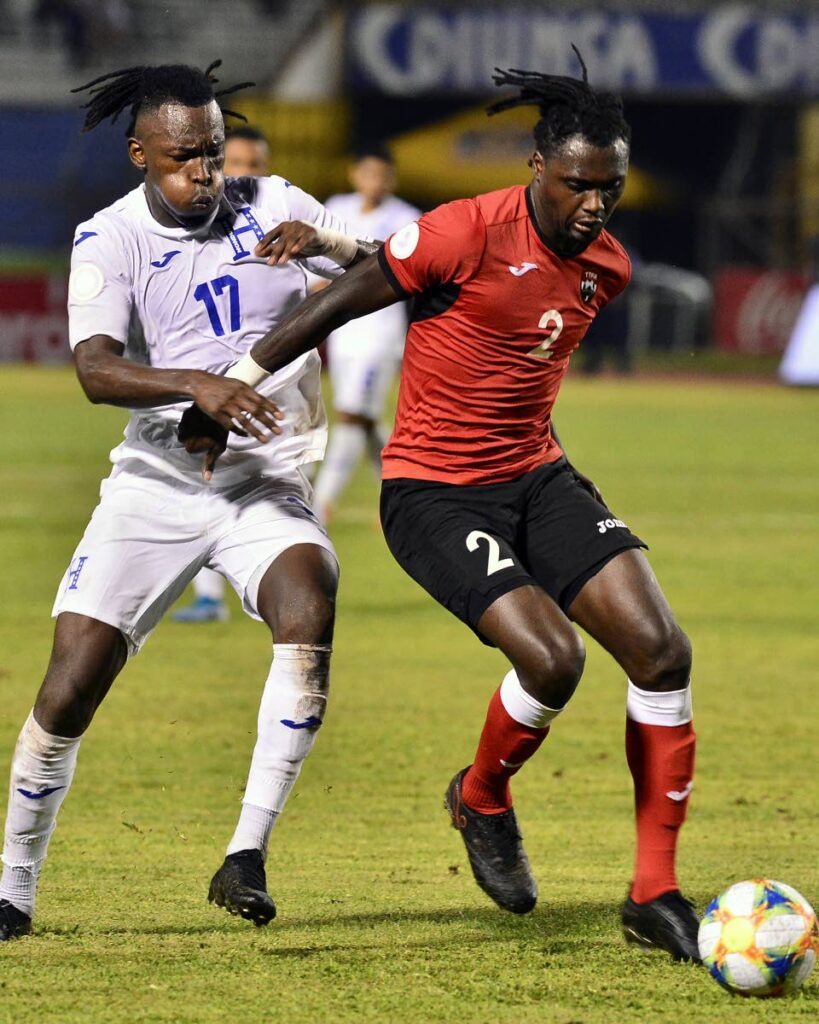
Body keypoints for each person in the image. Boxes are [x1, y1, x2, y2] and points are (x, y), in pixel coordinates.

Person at [180, 53, 700, 962]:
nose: (594, 205)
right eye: (578, 185)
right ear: (535, 167)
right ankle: (482, 797)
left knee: (661, 652)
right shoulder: (466, 228)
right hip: (431, 490)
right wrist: (227, 395)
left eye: (609, 188)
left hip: (537, 476)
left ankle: (653, 892)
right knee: (553, 659)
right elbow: (341, 303)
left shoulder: (605, 265)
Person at [0, 60, 376, 941]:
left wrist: (324, 244)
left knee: (309, 599)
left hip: (264, 484)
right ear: (140, 155)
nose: (205, 174)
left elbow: (379, 267)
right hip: (156, 485)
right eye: (183, 159)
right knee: (71, 685)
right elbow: (94, 369)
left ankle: (245, 854)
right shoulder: (109, 238)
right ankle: (13, 890)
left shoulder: (271, 197)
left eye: (212, 153)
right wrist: (196, 387)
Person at [172, 124, 272, 624]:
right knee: (201, 491)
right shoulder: (189, 229)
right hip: (213, 397)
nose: (245, 174)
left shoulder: (283, 221)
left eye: (256, 165)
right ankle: (210, 598)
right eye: (237, 163)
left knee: (271, 510)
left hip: (277, 405)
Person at [310, 148, 420, 524]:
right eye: (368, 173)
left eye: (383, 175)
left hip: (380, 334)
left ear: (392, 179)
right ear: (354, 173)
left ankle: (320, 503)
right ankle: (404, 495)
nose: (375, 181)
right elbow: (318, 264)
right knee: (366, 418)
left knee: (351, 414)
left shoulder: (406, 219)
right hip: (344, 333)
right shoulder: (337, 207)